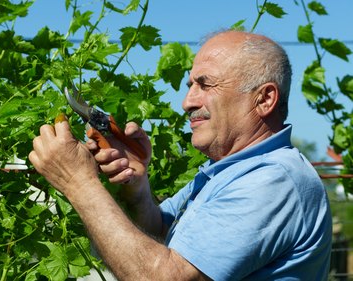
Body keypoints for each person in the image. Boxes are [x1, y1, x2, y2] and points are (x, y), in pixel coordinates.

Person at [29, 30, 332, 280]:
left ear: (264, 99)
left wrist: (79, 184)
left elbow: (166, 277)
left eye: (205, 84)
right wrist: (138, 189)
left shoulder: (272, 181)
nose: (187, 101)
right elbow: (160, 232)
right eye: (190, 86)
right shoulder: (225, 172)